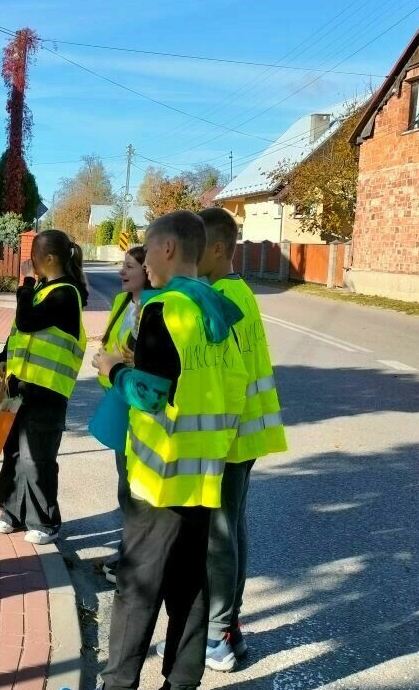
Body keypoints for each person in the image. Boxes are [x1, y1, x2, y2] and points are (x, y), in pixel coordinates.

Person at [92, 210, 247, 690]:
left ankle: (119, 683)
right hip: (204, 473)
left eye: (149, 249)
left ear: (168, 249)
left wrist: (114, 367)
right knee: (190, 586)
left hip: (158, 478)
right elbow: (231, 386)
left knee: (137, 588)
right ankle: (182, 682)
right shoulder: (219, 309)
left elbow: (150, 394)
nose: (147, 263)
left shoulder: (165, 309)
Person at [154, 207, 288, 671]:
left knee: (219, 537)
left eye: (199, 246)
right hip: (243, 433)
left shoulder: (221, 298)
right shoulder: (237, 293)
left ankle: (218, 636)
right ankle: (226, 628)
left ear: (216, 249)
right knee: (232, 532)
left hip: (227, 438)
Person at [0, 229, 89, 546]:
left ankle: (45, 522)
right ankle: (12, 514)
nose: (29, 264)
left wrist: (25, 284)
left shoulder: (66, 294)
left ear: (48, 259)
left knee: (38, 460)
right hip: (20, 388)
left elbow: (28, 321)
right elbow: (20, 333)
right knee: (14, 454)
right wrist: (4, 356)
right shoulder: (45, 291)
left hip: (46, 393)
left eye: (34, 258)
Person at [98, 245, 152, 585]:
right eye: (122, 265)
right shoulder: (121, 304)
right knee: (124, 485)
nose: (121, 271)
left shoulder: (156, 307)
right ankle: (128, 549)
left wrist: (119, 365)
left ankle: (135, 558)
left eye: (129, 266)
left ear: (148, 270)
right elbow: (109, 345)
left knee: (138, 487)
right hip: (118, 399)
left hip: (139, 404)